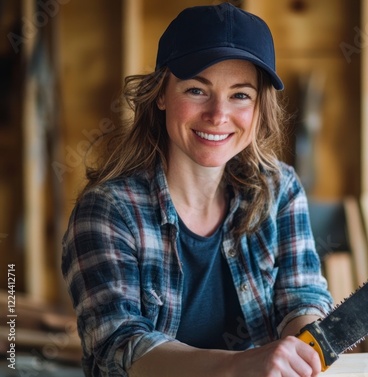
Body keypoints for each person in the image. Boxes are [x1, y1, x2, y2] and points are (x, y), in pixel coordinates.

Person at [61, 3, 333, 376]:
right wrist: (240, 366)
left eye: (240, 95)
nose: (218, 115)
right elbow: (121, 345)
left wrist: (303, 349)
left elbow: (301, 297)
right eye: (196, 90)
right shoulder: (108, 212)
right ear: (160, 95)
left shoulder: (278, 188)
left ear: (259, 108)